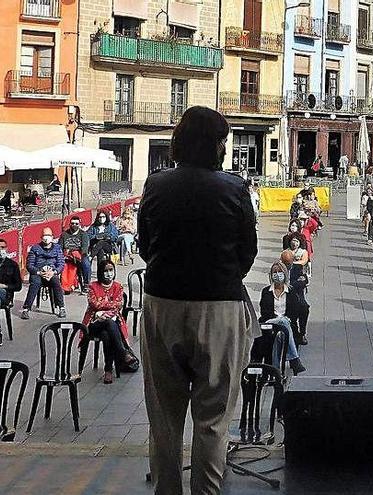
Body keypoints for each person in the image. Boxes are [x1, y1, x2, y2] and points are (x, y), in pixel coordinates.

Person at [138, 106, 258, 495]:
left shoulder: (155, 185)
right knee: (213, 418)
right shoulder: (236, 188)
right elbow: (248, 251)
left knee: (164, 418)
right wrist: (220, 276)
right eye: (223, 140)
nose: (226, 147)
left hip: (162, 305)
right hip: (220, 308)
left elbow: (144, 245)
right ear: (214, 145)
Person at [82, 260, 138, 384]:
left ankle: (108, 370)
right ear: (100, 272)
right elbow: (94, 303)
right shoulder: (92, 286)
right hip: (94, 323)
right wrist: (106, 308)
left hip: (110, 322)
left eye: (111, 270)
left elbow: (118, 304)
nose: (108, 274)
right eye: (105, 271)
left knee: (107, 335)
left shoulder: (118, 287)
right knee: (109, 324)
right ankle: (123, 353)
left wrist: (103, 310)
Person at [257, 262, 306, 373]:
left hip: (287, 323)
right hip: (270, 323)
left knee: (280, 335)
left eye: (280, 272)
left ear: (284, 274)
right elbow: (264, 312)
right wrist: (279, 320)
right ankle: (294, 359)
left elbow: (294, 312)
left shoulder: (291, 291)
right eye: (275, 272)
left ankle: (275, 371)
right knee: (282, 323)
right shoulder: (266, 291)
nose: (277, 274)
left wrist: (285, 320)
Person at [21, 227, 66, 319]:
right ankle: (26, 309)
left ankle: (61, 308)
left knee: (56, 283)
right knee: (34, 284)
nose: (46, 237)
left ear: (52, 237)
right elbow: (29, 265)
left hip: (51, 273)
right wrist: (39, 272)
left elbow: (61, 263)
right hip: (38, 272)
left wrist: (54, 272)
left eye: (48, 235)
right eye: (45, 235)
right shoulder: (35, 248)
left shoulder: (57, 248)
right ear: (41, 237)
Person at [60, 216, 91, 293]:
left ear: (79, 224)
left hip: (80, 255)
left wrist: (72, 251)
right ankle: (63, 285)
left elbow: (84, 248)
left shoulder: (83, 234)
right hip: (66, 256)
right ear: (70, 224)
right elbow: (59, 247)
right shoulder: (64, 234)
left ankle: (86, 284)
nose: (74, 225)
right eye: (72, 223)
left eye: (76, 223)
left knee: (86, 264)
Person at [0, 238, 22, 310]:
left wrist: (4, 286)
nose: (0, 250)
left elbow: (18, 286)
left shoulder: (13, 265)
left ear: (7, 249)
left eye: (3, 247)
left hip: (6, 294)